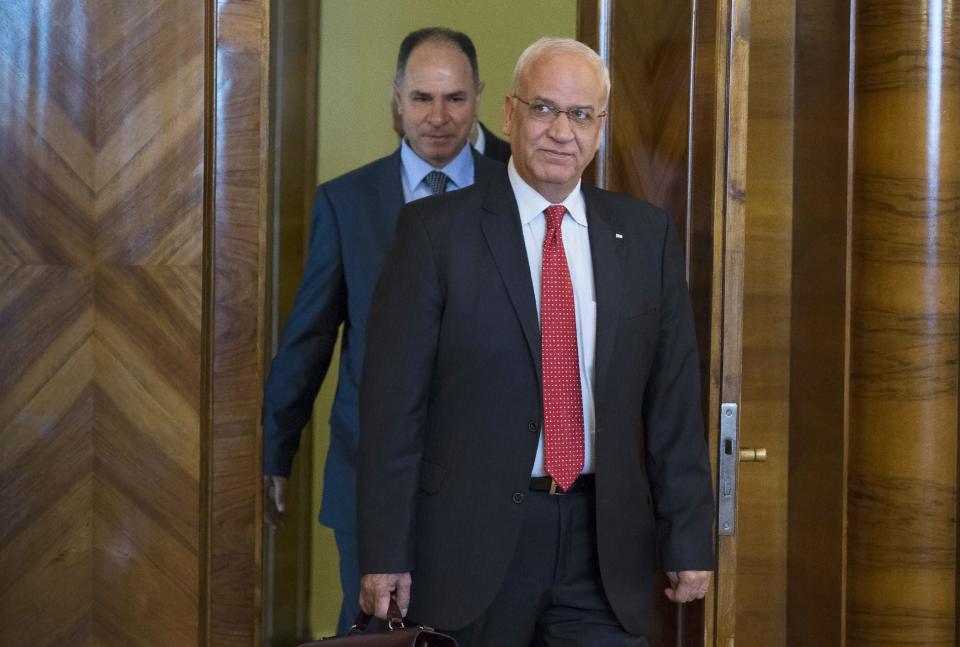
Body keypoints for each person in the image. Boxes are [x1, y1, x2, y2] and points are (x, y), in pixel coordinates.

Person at [357, 37, 714, 646]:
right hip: (470, 543)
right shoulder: (434, 233)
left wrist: (688, 537)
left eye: (580, 115)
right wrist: (385, 551)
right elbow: (393, 410)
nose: (560, 131)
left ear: (600, 128)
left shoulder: (645, 235)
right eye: (544, 108)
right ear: (509, 114)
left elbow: (673, 403)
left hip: (602, 544)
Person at [261, 27, 504, 635]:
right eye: (422, 98)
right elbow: (308, 338)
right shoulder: (347, 203)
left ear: (480, 98)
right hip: (368, 473)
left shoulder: (521, 187)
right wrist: (275, 448)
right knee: (378, 633)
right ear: (396, 100)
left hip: (487, 476)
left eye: (455, 99)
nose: (439, 118)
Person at [391, 96, 511, 163]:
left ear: (475, 100)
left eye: (453, 99)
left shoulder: (514, 167)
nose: (437, 120)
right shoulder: (377, 183)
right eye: (405, 138)